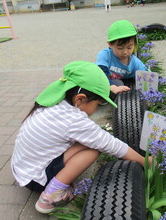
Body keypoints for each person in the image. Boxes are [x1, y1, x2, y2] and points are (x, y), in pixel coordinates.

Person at [11, 61, 149, 214]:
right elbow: (111, 145)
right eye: (98, 103)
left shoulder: (55, 102)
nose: (97, 108)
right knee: (93, 149)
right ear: (80, 99)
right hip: (35, 178)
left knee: (89, 141)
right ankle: (50, 198)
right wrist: (145, 161)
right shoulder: (73, 120)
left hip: (22, 168)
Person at [96, 20, 148, 95]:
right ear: (110, 44)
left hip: (117, 81)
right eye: (120, 48)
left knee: (119, 83)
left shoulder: (134, 62)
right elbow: (101, 73)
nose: (125, 52)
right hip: (102, 78)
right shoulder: (104, 55)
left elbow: (146, 75)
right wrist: (112, 87)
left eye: (129, 48)